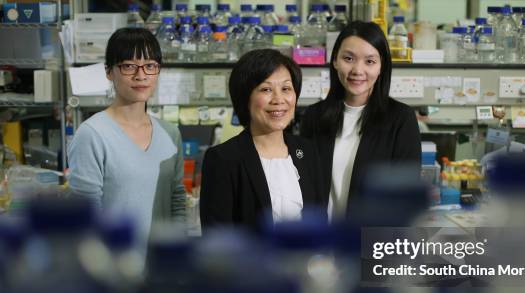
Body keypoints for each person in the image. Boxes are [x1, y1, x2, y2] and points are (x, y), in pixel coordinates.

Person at [68, 28, 186, 249]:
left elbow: (177, 200)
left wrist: (175, 252)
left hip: (162, 270)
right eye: (129, 66)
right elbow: (85, 215)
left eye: (150, 66)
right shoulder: (92, 135)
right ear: (109, 72)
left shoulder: (170, 134)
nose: (141, 75)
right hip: (114, 271)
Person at [300, 21, 421, 222]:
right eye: (349, 58)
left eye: (370, 61)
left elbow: (403, 196)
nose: (358, 70)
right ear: (335, 60)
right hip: (321, 244)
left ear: (382, 66)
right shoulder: (314, 117)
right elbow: (304, 186)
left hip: (371, 245)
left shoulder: (401, 119)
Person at [200, 49, 324, 228]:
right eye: (266, 89)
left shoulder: (307, 151)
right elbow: (218, 240)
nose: (279, 99)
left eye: (286, 88)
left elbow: (319, 222)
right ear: (245, 98)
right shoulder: (224, 158)